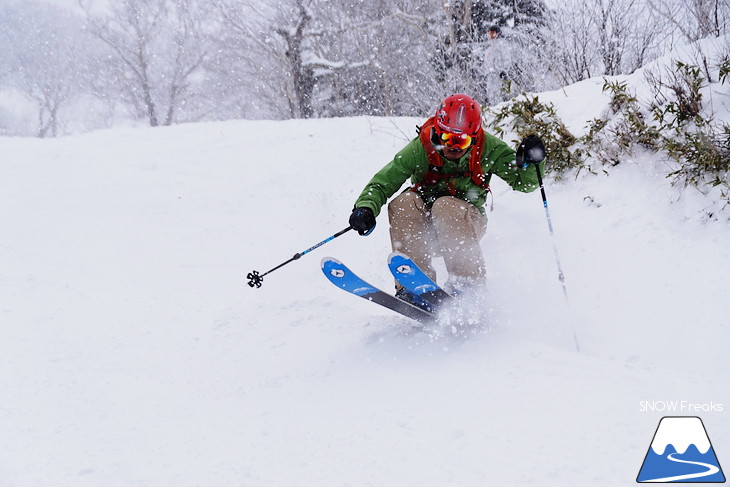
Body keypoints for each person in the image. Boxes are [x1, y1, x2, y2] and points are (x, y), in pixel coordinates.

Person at [348, 93, 544, 299]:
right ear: (437, 131)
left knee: (445, 205)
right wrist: (366, 207)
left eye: (462, 140)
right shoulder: (421, 147)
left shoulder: (489, 148)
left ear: (475, 137)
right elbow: (384, 180)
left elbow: (526, 183)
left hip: (466, 223)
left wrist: (533, 162)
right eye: (447, 138)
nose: (453, 147)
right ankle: (416, 286)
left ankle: (468, 287)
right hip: (425, 230)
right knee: (403, 202)